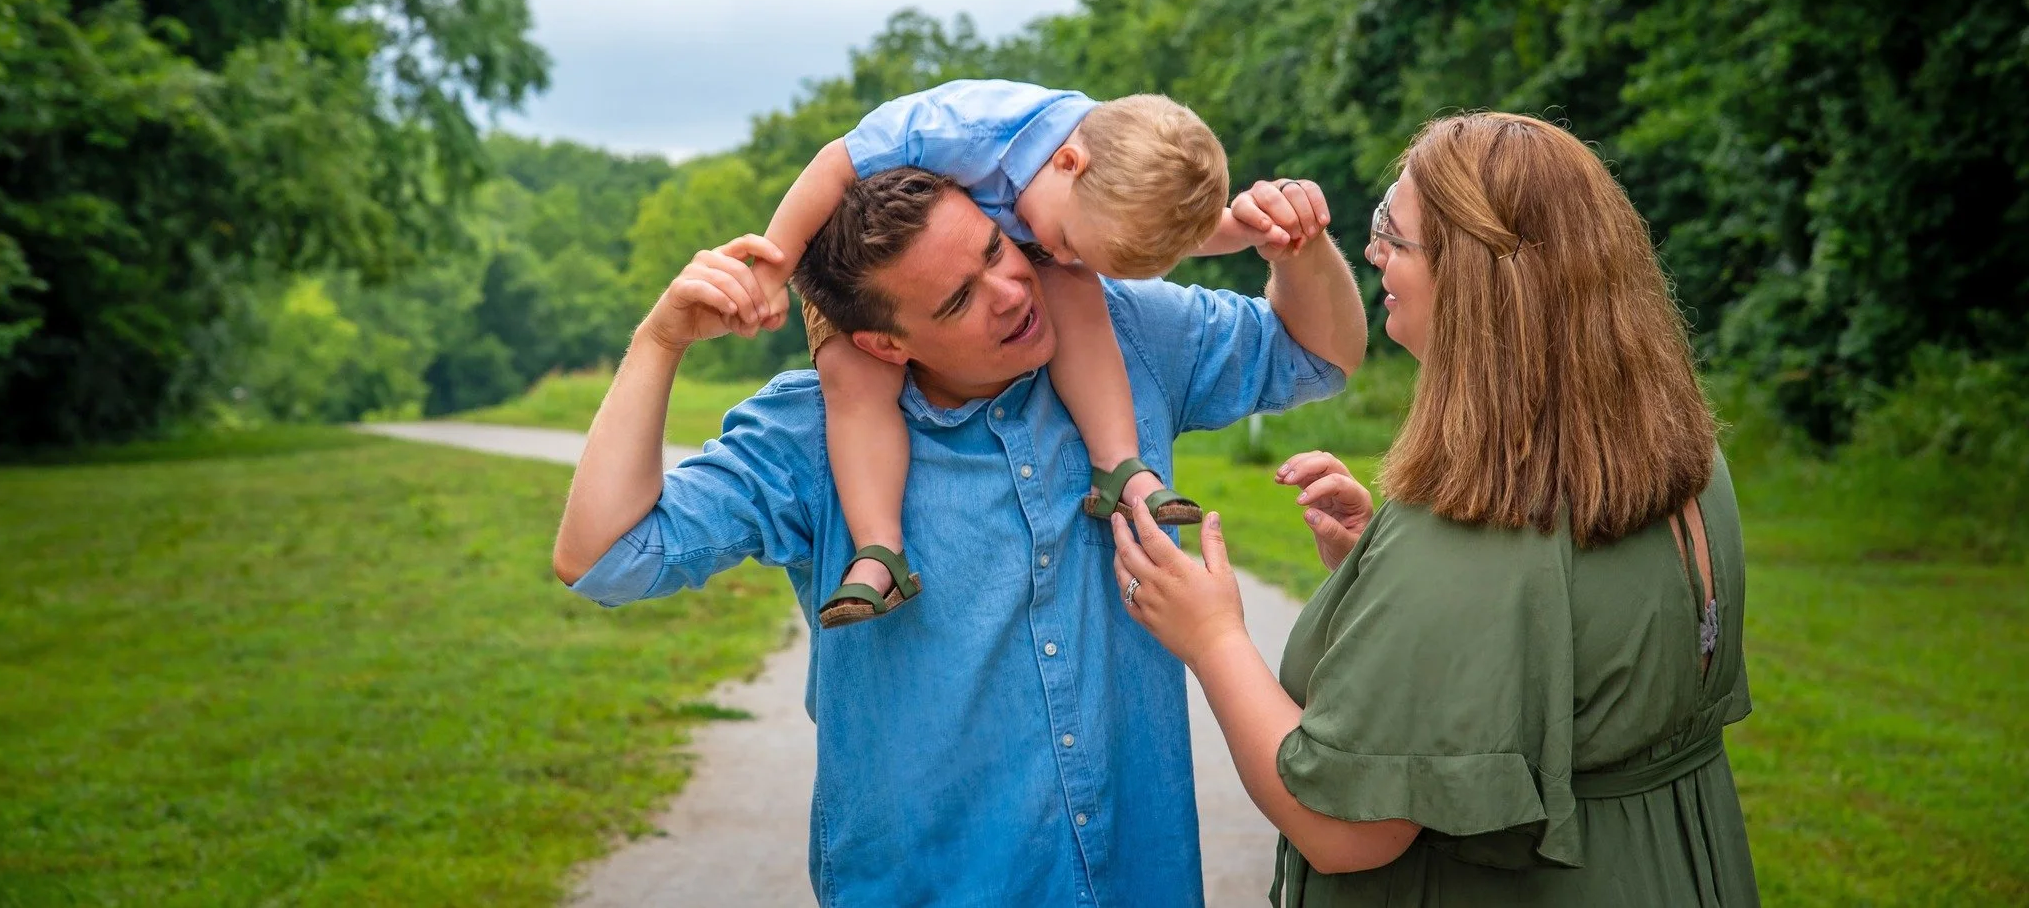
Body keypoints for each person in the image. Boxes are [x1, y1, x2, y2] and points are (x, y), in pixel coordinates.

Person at [552, 166, 1368, 907]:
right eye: (957, 300)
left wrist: (1295, 248)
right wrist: (660, 340)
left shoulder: (1125, 336)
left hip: (1139, 880)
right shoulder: (809, 437)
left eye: (996, 249)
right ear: (883, 342)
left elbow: (1319, 354)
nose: (1011, 291)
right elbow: (605, 557)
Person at [1110, 111, 1759, 907]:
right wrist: (1383, 572)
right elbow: (1565, 635)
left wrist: (1211, 636)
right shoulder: (1681, 457)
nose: (1373, 252)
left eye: (1396, 234)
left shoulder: (1480, 523)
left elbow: (1345, 828)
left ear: (1480, 278)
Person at [744, 79, 1266, 628]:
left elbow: (1153, 225)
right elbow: (833, 164)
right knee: (855, 384)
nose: (1060, 254)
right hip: (860, 267)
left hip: (977, 255)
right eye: (1068, 239)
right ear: (1067, 162)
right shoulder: (967, 128)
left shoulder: (1113, 172)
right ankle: (878, 549)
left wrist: (1245, 228)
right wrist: (770, 272)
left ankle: (1118, 465)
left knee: (1077, 292)